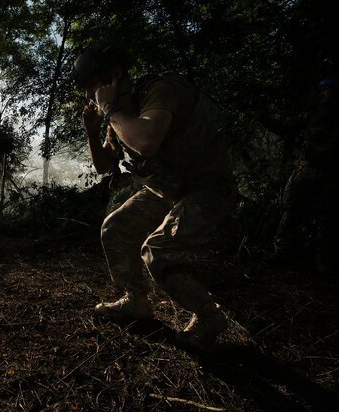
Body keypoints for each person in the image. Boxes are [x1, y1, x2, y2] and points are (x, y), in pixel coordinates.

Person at [72, 42, 238, 347]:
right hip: (168, 188)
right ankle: (137, 301)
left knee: (157, 250)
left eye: (91, 86)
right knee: (115, 227)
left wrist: (109, 110)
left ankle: (208, 314)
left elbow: (147, 141)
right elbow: (104, 165)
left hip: (208, 186)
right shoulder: (119, 114)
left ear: (114, 76)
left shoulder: (161, 89)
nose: (88, 96)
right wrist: (94, 132)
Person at [269, 75, 339, 276]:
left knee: (326, 219)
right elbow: (285, 127)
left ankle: (321, 263)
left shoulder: (317, 114)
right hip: (315, 172)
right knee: (294, 211)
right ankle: (285, 252)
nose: (326, 95)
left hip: (327, 174)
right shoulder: (314, 114)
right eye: (325, 91)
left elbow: (286, 127)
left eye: (329, 91)